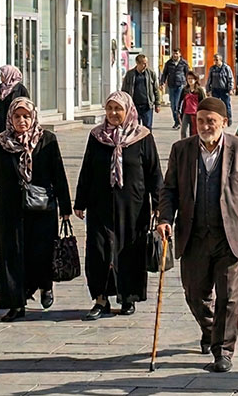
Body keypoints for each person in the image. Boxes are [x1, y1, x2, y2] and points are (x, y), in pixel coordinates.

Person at [157, 97, 238, 373]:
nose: (205, 126)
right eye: (201, 120)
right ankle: (210, 329)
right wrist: (165, 218)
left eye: (211, 121)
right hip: (193, 235)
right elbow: (169, 190)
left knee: (229, 297)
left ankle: (223, 351)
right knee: (194, 292)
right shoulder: (181, 150)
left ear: (224, 123)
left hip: (230, 236)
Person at [0, 97, 72, 322]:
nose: (22, 121)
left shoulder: (47, 140)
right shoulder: (1, 143)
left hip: (41, 209)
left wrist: (66, 207)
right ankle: (16, 304)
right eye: (17, 116)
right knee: (11, 256)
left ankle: (45, 285)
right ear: (10, 118)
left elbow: (59, 175)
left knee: (41, 253)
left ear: (33, 117)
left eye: (26, 116)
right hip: (10, 210)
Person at [74, 91, 163, 320]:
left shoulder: (142, 136)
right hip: (100, 204)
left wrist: (158, 203)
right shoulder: (97, 136)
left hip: (134, 206)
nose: (114, 113)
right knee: (98, 250)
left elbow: (154, 172)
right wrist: (80, 201)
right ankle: (100, 298)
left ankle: (128, 297)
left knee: (130, 251)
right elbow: (87, 170)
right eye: (110, 108)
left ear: (128, 110)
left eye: (118, 109)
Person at [121, 54, 161, 129]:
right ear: (138, 63)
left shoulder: (151, 74)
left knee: (147, 127)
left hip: (147, 105)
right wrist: (124, 104)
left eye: (146, 63)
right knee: (135, 127)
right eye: (143, 63)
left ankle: (148, 140)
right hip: (134, 105)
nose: (146, 65)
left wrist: (157, 104)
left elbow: (156, 89)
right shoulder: (130, 74)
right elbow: (124, 90)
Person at [0, 65, 30, 130]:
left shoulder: (20, 89)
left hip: (15, 123)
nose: (0, 76)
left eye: (2, 75)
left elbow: (27, 105)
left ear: (9, 75)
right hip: (0, 123)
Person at [162, 49, 190, 129]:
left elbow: (187, 74)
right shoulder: (169, 63)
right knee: (173, 105)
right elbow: (164, 73)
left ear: (179, 54)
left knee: (178, 104)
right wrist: (162, 82)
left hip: (180, 85)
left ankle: (178, 122)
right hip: (171, 85)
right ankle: (176, 121)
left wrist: (189, 85)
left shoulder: (183, 63)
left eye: (176, 54)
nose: (175, 55)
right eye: (174, 54)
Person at [206, 54, 235, 124]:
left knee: (226, 105)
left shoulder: (226, 68)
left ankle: (228, 118)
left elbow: (230, 79)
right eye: (214, 60)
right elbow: (209, 79)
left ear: (220, 60)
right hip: (215, 89)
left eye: (217, 60)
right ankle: (215, 119)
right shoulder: (212, 69)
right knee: (215, 105)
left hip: (224, 90)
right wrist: (208, 90)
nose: (215, 61)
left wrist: (230, 89)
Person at [180, 72, 206, 138]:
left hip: (195, 113)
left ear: (196, 79)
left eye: (192, 78)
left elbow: (203, 101)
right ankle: (183, 145)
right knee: (183, 131)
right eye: (189, 79)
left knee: (193, 132)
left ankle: (193, 145)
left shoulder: (199, 90)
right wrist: (178, 110)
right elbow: (180, 101)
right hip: (186, 112)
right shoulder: (185, 89)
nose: (190, 80)